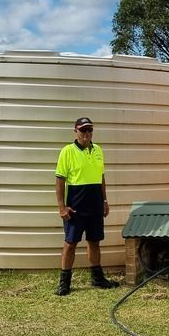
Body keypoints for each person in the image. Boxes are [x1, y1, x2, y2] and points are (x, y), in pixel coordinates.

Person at [54, 116, 120, 295]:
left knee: (94, 242)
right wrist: (62, 207)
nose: (87, 133)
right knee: (70, 243)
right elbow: (60, 180)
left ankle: (98, 279)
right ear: (75, 131)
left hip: (95, 206)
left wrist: (105, 201)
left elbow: (101, 178)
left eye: (90, 130)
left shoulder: (98, 150)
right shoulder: (67, 152)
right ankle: (64, 282)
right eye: (83, 130)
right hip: (75, 207)